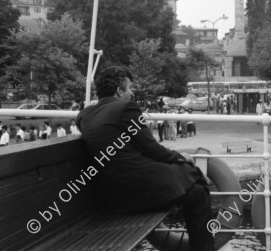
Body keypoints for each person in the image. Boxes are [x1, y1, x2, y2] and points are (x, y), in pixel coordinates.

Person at [77, 66, 215, 251]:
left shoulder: (85, 115)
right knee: (197, 187)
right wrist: (181, 158)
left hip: (111, 195)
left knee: (194, 186)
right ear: (119, 90)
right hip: (136, 192)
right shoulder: (126, 108)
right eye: (130, 88)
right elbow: (153, 150)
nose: (132, 93)